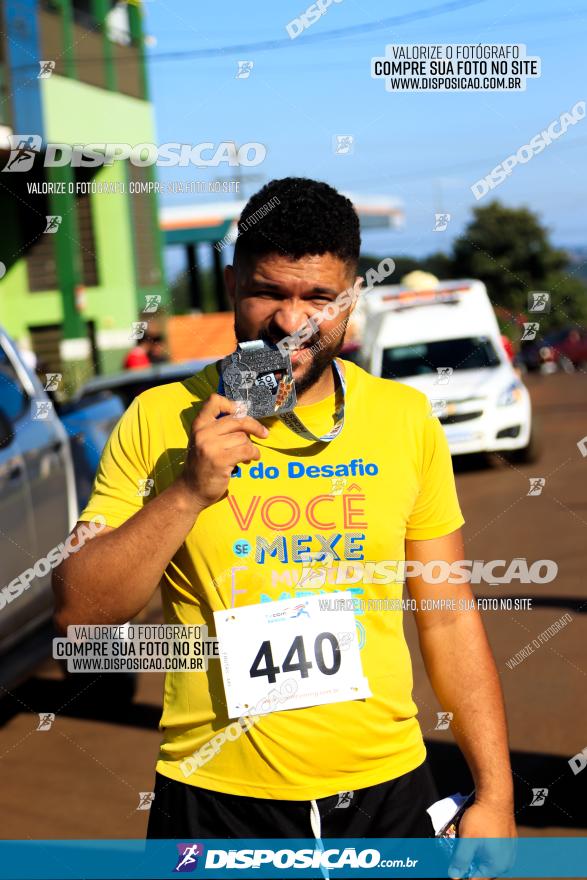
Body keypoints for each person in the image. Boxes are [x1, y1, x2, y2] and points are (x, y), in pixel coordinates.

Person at [53, 178, 515, 851]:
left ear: (349, 301)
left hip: (386, 792)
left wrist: (496, 794)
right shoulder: (158, 420)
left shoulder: (403, 420)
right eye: (269, 291)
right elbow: (81, 615)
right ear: (234, 284)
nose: (289, 320)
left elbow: (445, 614)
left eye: (317, 298)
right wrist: (187, 492)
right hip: (216, 801)